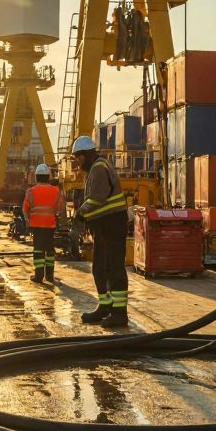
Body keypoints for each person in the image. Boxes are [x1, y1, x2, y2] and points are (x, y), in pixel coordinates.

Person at [71, 135, 129, 328]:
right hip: (104, 226)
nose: (77, 162)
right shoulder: (95, 169)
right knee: (100, 268)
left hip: (112, 224)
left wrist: (80, 214)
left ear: (86, 154)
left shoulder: (99, 168)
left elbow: (97, 198)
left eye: (78, 157)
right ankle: (105, 306)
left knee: (114, 269)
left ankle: (119, 314)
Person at [23, 163, 60, 284]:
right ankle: (50, 276)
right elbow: (60, 209)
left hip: (36, 227)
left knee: (38, 250)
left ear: (37, 177)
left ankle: (38, 276)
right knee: (50, 250)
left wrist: (28, 222)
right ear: (48, 177)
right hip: (50, 226)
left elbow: (25, 209)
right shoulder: (56, 191)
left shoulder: (30, 192)